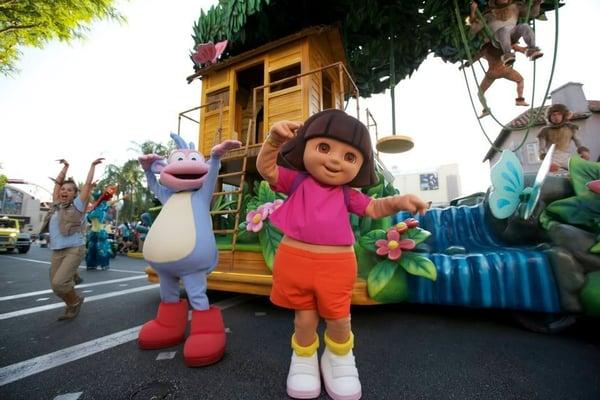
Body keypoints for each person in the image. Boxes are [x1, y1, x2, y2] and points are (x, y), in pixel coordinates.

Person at [257, 109, 428, 400]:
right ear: (306, 146)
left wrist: (401, 200)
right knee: (304, 319)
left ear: (361, 165)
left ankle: (339, 356)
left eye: (349, 157)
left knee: (339, 318)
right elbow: (267, 169)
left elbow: (375, 207)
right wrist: (273, 139)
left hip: (335, 267)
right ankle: (304, 357)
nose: (334, 160)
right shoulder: (298, 181)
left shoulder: (347, 194)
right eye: (324, 148)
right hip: (294, 262)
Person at [40, 158, 103, 320]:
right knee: (56, 287)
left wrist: (92, 166)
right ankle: (72, 297)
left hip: (74, 249)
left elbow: (87, 185)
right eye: (63, 189)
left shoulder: (78, 205)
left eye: (69, 190)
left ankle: (74, 303)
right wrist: (65, 167)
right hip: (57, 250)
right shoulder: (56, 204)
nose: (64, 191)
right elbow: (57, 185)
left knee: (60, 284)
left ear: (75, 194)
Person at [537, 103, 587, 171]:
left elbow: (578, 141)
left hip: (567, 157)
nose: (556, 117)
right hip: (552, 158)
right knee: (555, 176)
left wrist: (583, 151)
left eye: (559, 114)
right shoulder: (544, 130)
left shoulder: (570, 128)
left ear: (563, 116)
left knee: (579, 172)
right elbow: (541, 149)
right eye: (553, 115)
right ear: (549, 117)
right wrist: (547, 161)